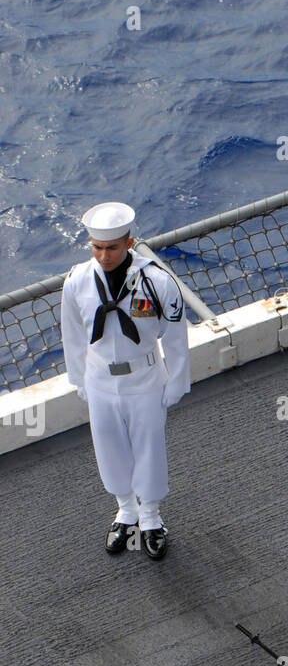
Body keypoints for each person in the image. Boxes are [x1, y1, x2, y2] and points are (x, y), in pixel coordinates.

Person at [60, 202, 190, 559]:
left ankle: (150, 517)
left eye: (112, 247)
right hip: (100, 378)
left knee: (149, 448)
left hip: (145, 378)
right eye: (97, 247)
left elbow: (176, 335)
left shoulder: (157, 282)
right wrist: (79, 378)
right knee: (109, 447)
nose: (103, 255)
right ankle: (125, 510)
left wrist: (177, 381)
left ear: (129, 243)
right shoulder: (77, 282)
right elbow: (71, 334)